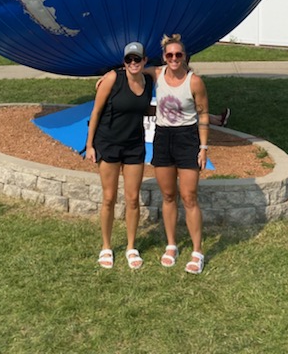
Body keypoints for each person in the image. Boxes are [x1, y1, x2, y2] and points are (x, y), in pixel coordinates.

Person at [86, 41, 154, 270]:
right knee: (109, 198)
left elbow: (144, 107)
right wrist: (90, 145)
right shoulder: (113, 79)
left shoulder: (149, 81)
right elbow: (95, 112)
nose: (133, 63)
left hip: (134, 145)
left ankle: (131, 247)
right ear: (124, 62)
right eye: (129, 59)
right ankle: (106, 246)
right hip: (109, 143)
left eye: (137, 59)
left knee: (133, 198)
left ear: (145, 61)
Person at [147, 34, 209, 275]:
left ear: (185, 57)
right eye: (169, 55)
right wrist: (106, 80)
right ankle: (171, 245)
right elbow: (130, 71)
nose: (174, 58)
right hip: (163, 137)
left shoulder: (195, 82)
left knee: (189, 196)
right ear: (164, 57)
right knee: (168, 195)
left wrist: (203, 148)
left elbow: (203, 114)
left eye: (178, 55)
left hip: (187, 138)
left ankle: (197, 251)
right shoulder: (156, 74)